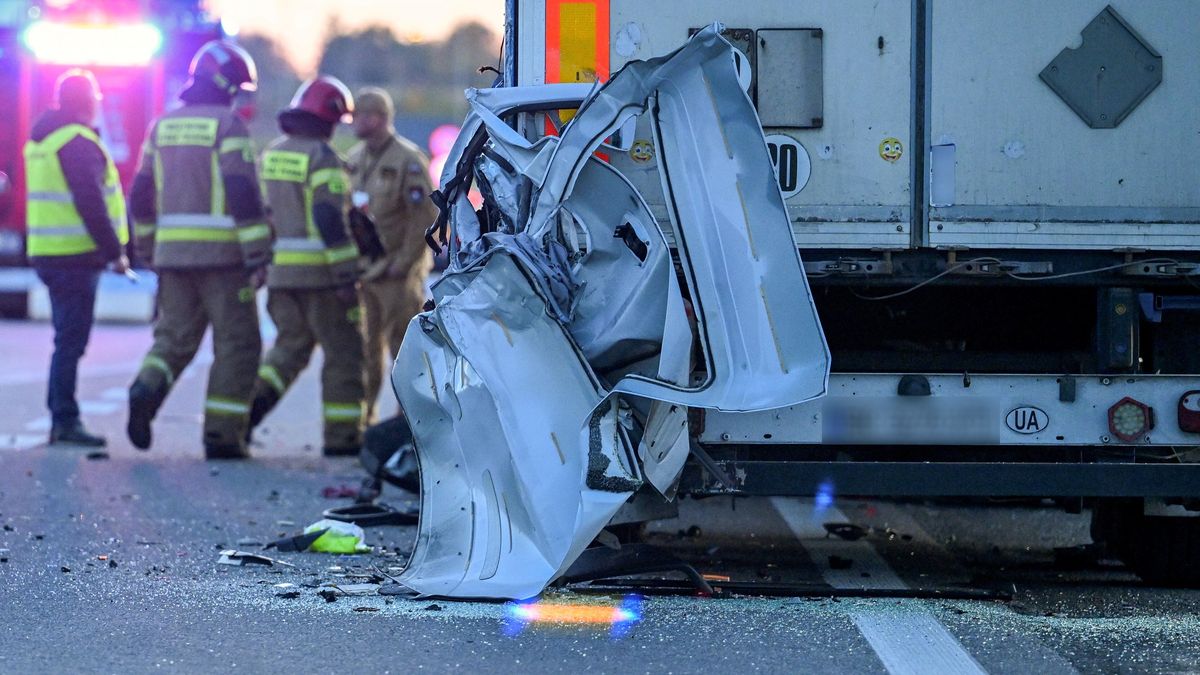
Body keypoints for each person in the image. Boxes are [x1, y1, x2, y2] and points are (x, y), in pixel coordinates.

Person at [125, 41, 272, 459]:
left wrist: (148, 246)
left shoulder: (162, 126)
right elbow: (242, 192)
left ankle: (145, 388)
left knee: (172, 338)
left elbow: (140, 193)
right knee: (237, 344)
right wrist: (258, 254)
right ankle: (222, 436)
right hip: (223, 260)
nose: (238, 95)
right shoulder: (228, 126)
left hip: (173, 257)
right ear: (225, 83)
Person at [246, 76, 366, 456]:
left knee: (286, 352)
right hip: (322, 279)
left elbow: (261, 214)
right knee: (344, 354)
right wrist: (346, 275)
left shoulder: (272, 154)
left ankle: (243, 416)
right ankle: (343, 438)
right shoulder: (322, 158)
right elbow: (329, 218)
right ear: (328, 118)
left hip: (281, 275)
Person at [24, 69, 130, 447]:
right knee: (71, 341)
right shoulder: (77, 141)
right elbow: (91, 203)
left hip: (47, 253)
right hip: (73, 257)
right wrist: (115, 252)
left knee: (65, 338)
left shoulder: (42, 140)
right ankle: (64, 420)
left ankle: (61, 418)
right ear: (90, 102)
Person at [346, 88, 438, 423]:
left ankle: (408, 422)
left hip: (398, 274)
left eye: (362, 115)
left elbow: (424, 217)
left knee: (403, 350)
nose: (356, 122)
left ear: (381, 118)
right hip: (364, 272)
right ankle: (362, 419)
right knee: (364, 351)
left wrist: (404, 262)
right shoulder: (355, 159)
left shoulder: (407, 160)